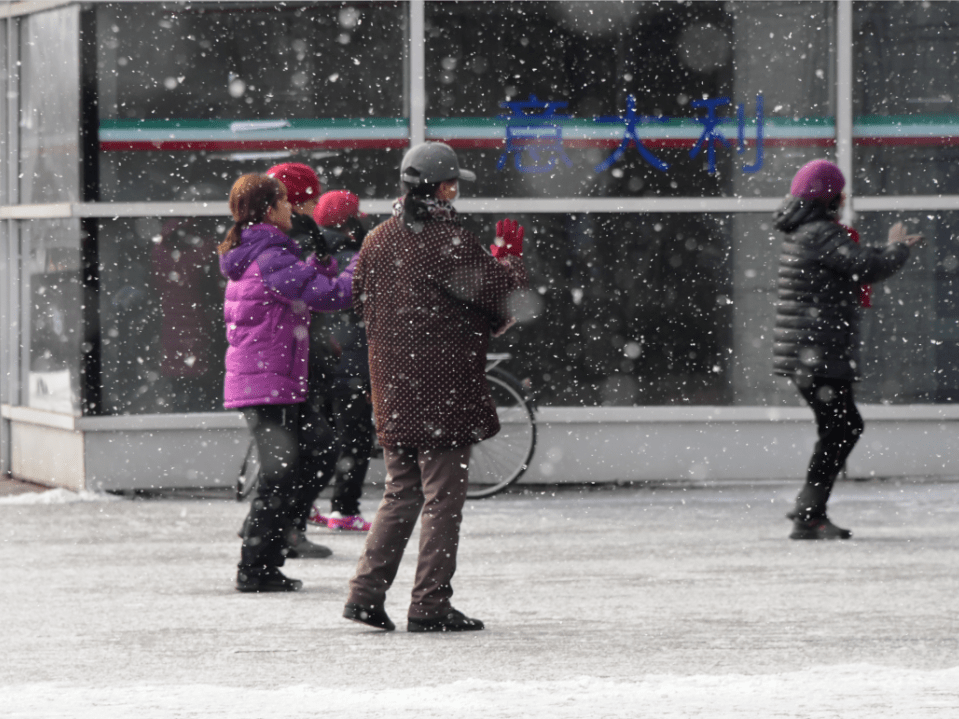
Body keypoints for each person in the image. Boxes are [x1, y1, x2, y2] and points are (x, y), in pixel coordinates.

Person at [343, 142, 528, 632]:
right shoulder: (449, 241)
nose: (457, 190)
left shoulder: (377, 238)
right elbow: (506, 300)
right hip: (442, 388)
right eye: (452, 183)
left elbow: (360, 304)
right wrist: (509, 262)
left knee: (401, 492)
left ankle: (365, 593)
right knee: (443, 497)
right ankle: (430, 604)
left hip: (393, 386)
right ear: (438, 186)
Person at [219, 173, 356, 592]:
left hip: (271, 380)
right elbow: (330, 296)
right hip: (268, 381)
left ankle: (268, 550)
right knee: (284, 474)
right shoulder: (270, 255)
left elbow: (307, 286)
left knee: (318, 452)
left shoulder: (262, 250)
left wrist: (318, 253)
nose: (290, 209)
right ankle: (255, 567)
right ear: (267, 209)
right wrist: (361, 268)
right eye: (283, 202)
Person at [773, 159, 923, 541]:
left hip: (814, 353)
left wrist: (887, 249)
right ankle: (808, 514)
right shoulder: (820, 233)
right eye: (839, 193)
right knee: (842, 428)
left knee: (840, 428)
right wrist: (896, 251)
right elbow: (864, 265)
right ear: (829, 197)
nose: (843, 199)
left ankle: (809, 510)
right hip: (818, 353)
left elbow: (852, 260)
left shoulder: (808, 231)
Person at [263, 162, 343, 554]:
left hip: (293, 358)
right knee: (305, 452)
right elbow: (322, 293)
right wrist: (355, 270)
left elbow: (310, 285)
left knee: (309, 450)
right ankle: (272, 538)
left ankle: (274, 532)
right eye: (310, 199)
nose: (316, 207)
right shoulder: (273, 244)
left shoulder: (289, 240)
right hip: (282, 363)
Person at [307, 190, 375, 532]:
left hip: (316, 360)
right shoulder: (358, 257)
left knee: (319, 439)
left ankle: (302, 505)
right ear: (351, 219)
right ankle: (344, 510)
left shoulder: (309, 253)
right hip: (354, 362)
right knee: (356, 439)